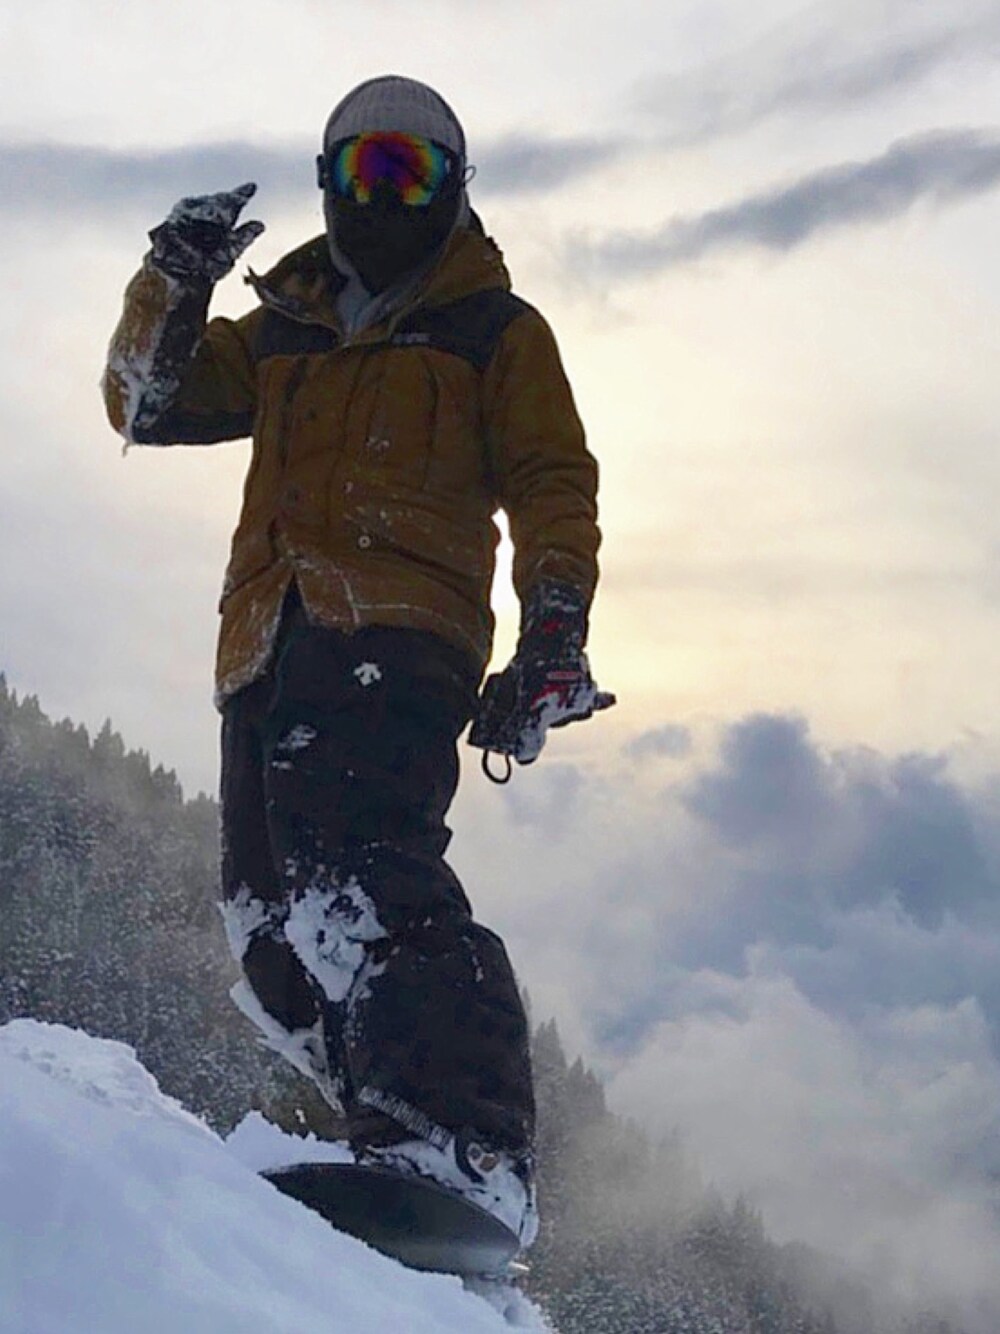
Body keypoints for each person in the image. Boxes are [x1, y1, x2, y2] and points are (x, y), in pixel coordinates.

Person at [102, 74, 610, 1249]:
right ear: (326, 183)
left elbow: (551, 480)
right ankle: (392, 1140)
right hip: (267, 639)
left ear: (454, 189)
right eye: (361, 169)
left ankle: (466, 1143)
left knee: (361, 871)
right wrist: (174, 275)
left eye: (410, 171)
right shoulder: (288, 330)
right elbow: (146, 403)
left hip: (398, 627)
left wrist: (553, 623)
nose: (383, 197)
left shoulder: (493, 331)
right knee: (268, 919)